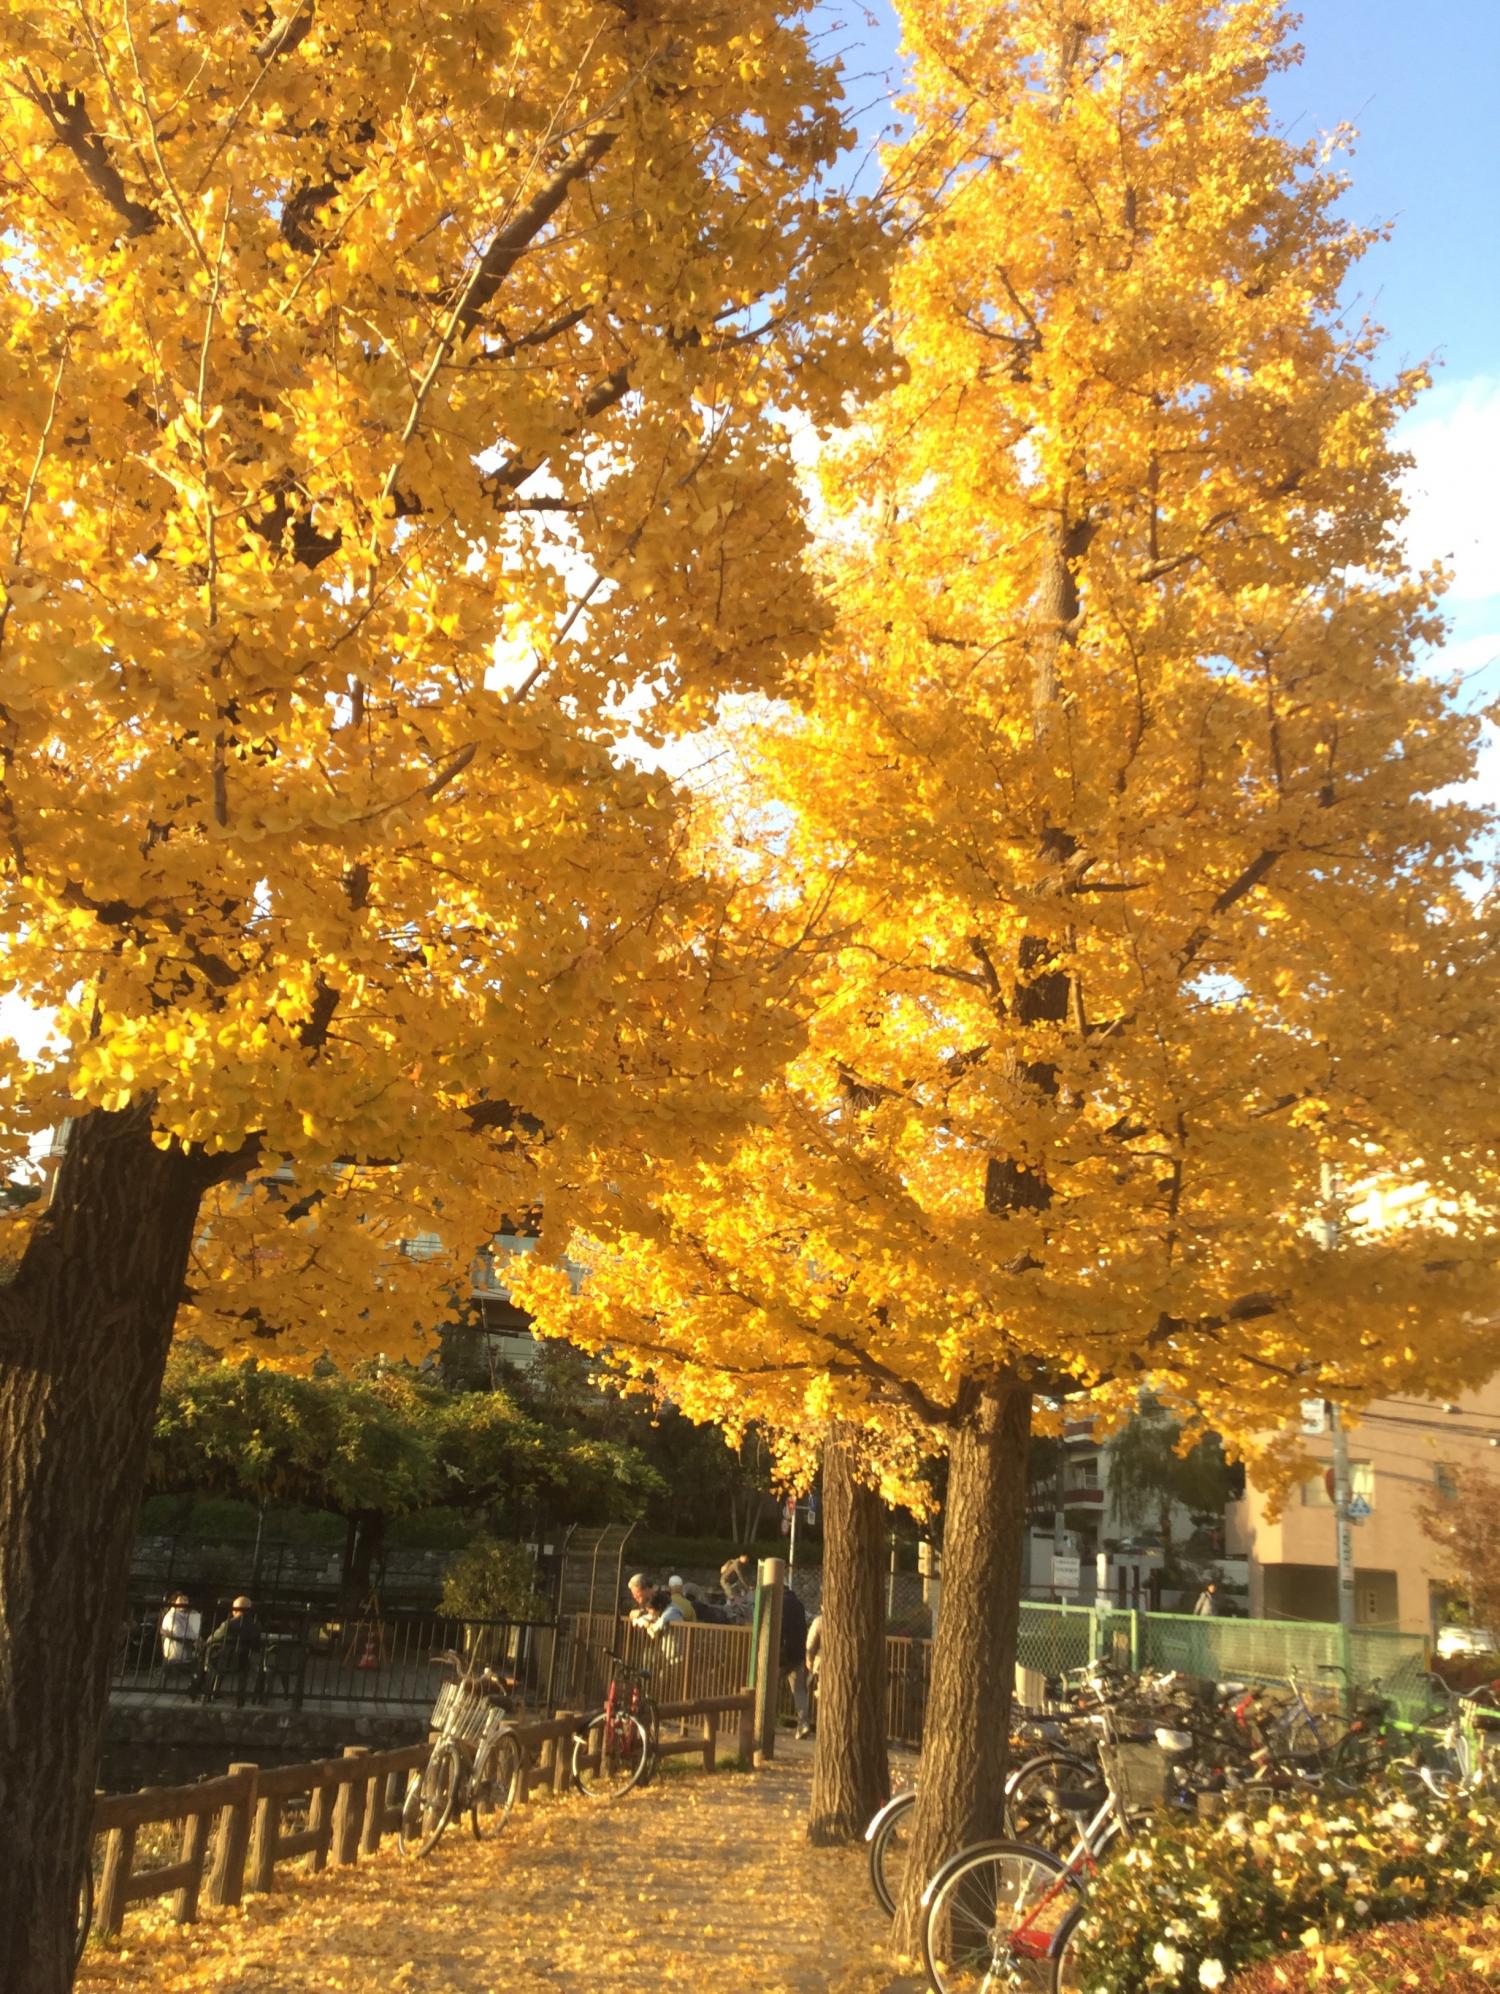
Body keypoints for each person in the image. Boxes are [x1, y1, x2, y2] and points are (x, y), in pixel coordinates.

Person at [780, 1582, 813, 1738]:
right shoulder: (799, 1605)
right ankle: (803, 1723)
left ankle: (762, 1722)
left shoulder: (779, 1603)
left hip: (781, 1654)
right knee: (799, 1691)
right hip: (798, 1653)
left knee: (767, 1687)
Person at [158, 1594, 200, 1669]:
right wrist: (195, 1639)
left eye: (186, 1600)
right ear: (174, 1602)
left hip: (186, 1649)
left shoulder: (185, 1615)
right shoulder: (172, 1616)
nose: (184, 1602)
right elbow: (178, 1634)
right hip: (177, 1651)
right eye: (181, 1600)